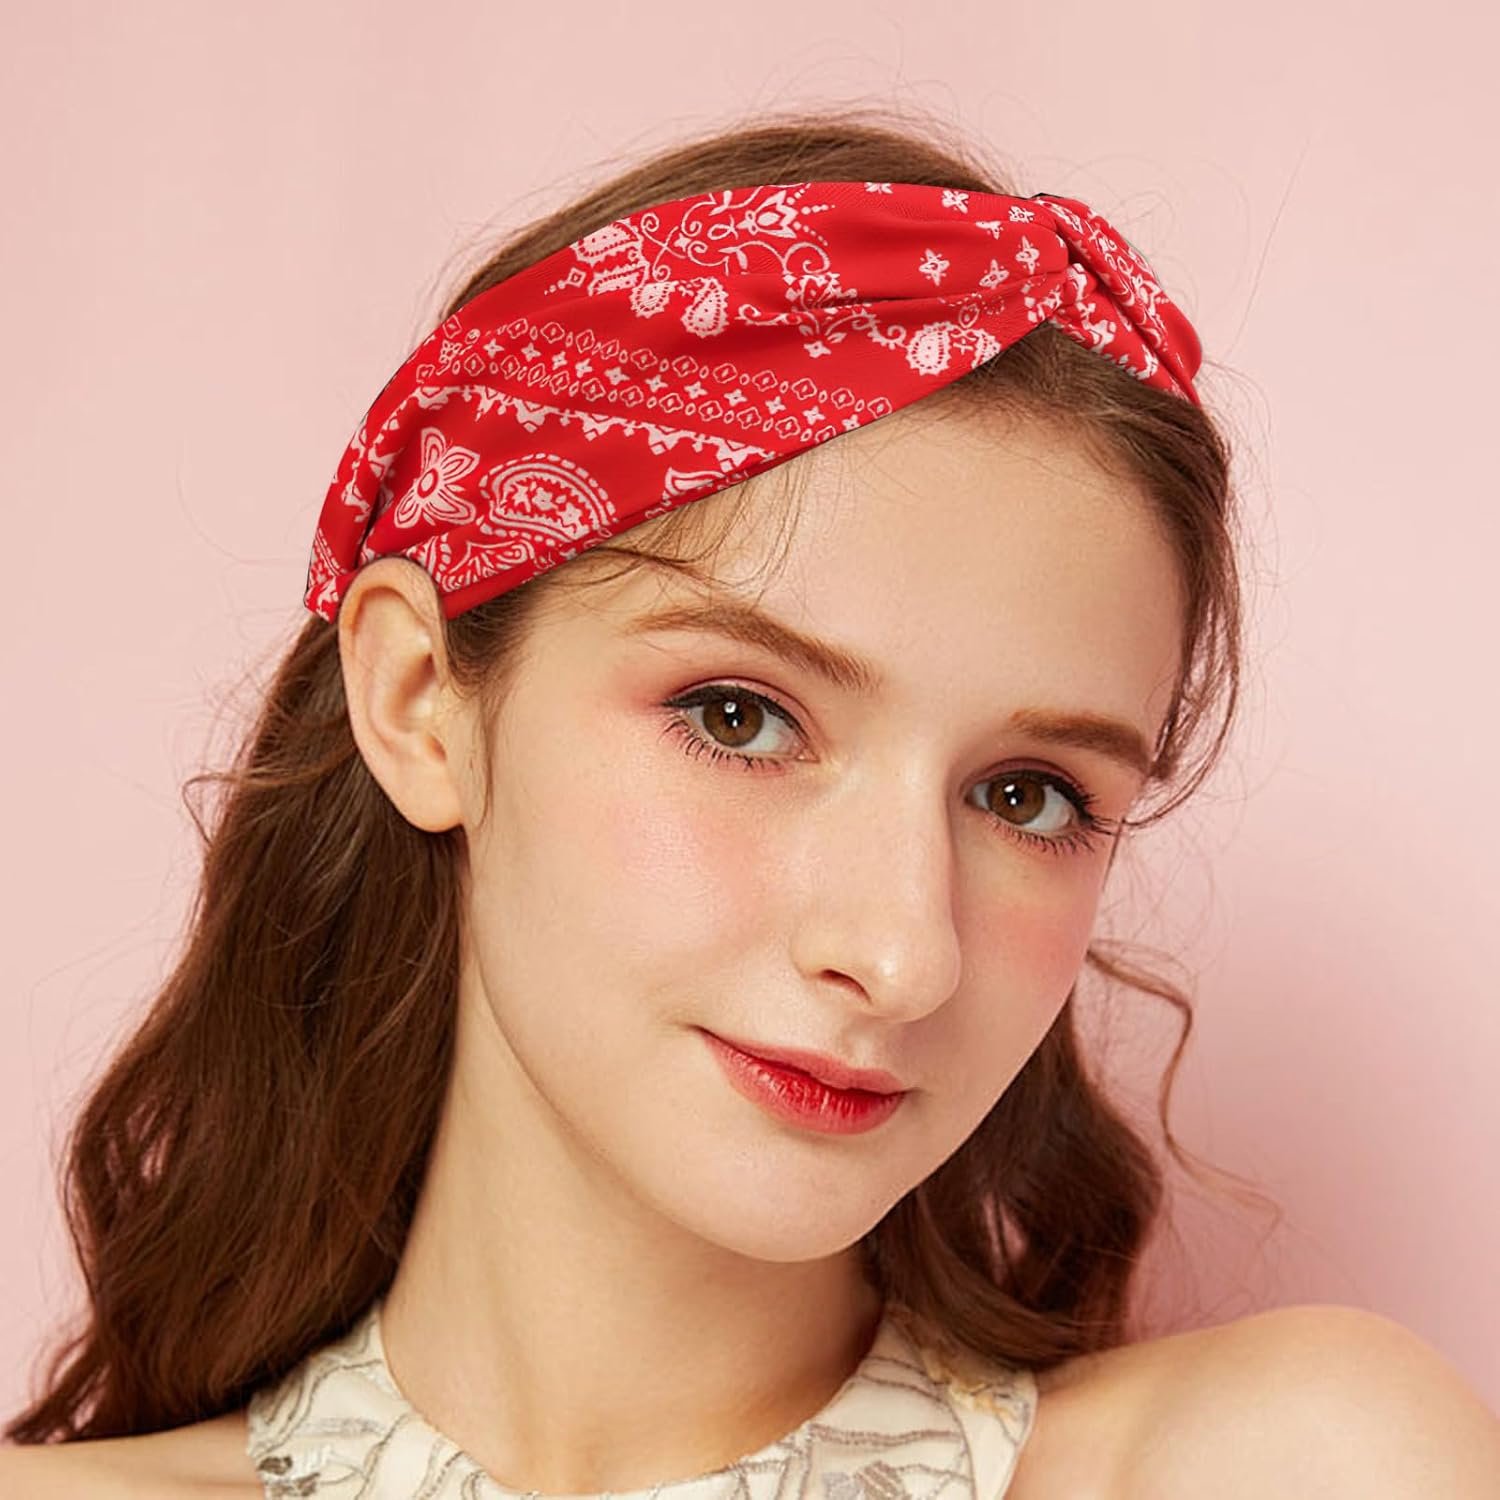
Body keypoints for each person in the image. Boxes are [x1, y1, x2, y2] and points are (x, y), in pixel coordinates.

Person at [4, 109, 1497, 1499]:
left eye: (1028, 795)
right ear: (417, 699)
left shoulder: (1298, 1464)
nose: (901, 953)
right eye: (741, 717)